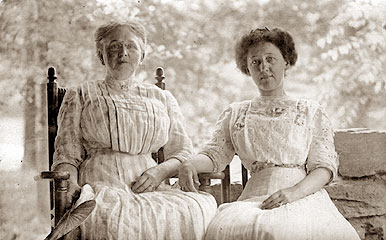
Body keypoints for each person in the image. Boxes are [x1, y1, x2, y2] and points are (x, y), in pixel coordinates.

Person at [178, 27, 360, 239]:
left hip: (303, 197)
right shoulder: (236, 113)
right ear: (247, 69)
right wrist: (189, 164)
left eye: (270, 59)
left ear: (286, 62)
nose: (263, 67)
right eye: (255, 62)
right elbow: (214, 155)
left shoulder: (310, 111)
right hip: (253, 201)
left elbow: (324, 168)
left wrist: (293, 193)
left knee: (288, 230)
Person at [52, 20, 217, 239]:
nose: (123, 53)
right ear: (101, 55)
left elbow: (181, 153)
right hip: (101, 185)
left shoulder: (161, 98)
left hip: (153, 187)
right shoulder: (81, 94)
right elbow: (67, 154)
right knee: (111, 219)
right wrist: (71, 186)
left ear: (142, 55)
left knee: (193, 209)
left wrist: (160, 172)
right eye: (114, 47)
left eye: (131, 46)